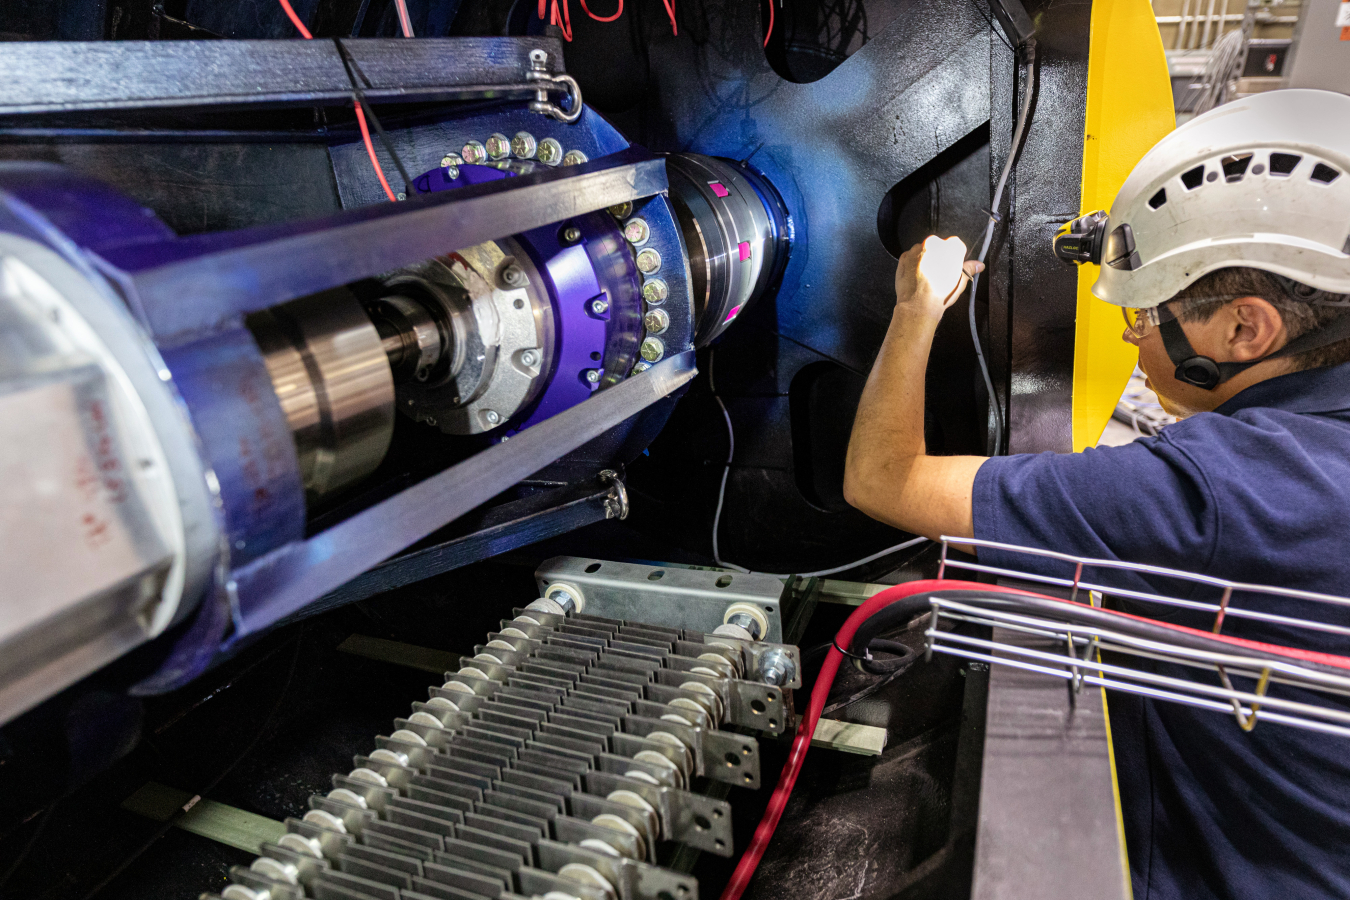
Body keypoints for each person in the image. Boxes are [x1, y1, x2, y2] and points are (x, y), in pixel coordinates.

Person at [842, 88, 1350, 900]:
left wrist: (918, 308)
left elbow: (882, 480)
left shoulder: (1227, 488)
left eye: (1148, 312)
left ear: (1247, 331)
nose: (1132, 333)